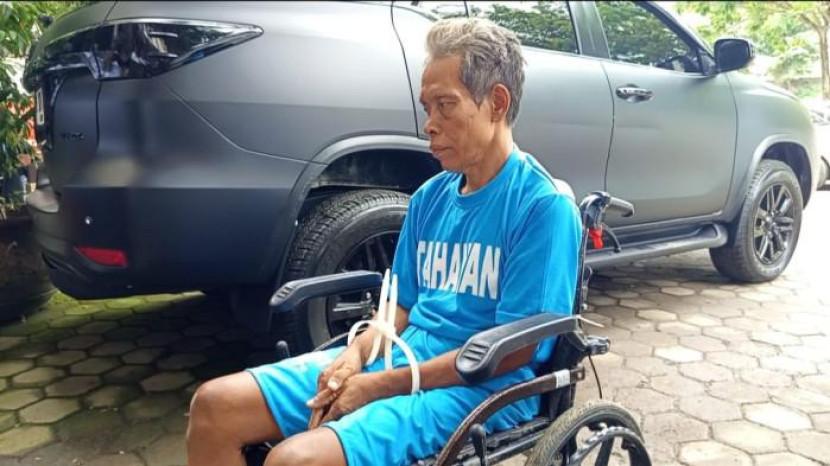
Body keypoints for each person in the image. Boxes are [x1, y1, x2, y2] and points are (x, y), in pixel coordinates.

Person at [186, 17, 581, 466]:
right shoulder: (430, 199)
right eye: (427, 107)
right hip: (403, 356)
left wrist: (378, 386)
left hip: (482, 385)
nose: (430, 124)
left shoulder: (541, 207)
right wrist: (355, 356)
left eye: (445, 106)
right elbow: (401, 306)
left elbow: (516, 351)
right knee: (215, 406)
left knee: (295, 460)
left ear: (497, 102)